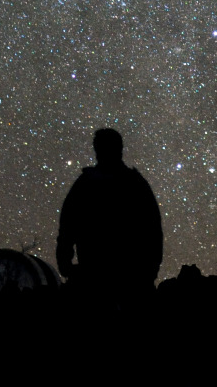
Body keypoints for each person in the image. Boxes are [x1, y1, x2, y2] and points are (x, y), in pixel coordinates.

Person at [56, 128, 163, 298]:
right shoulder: (136, 184)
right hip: (129, 278)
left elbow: (67, 228)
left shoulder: (85, 185)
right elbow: (154, 231)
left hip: (99, 276)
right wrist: (150, 270)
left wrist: (66, 265)